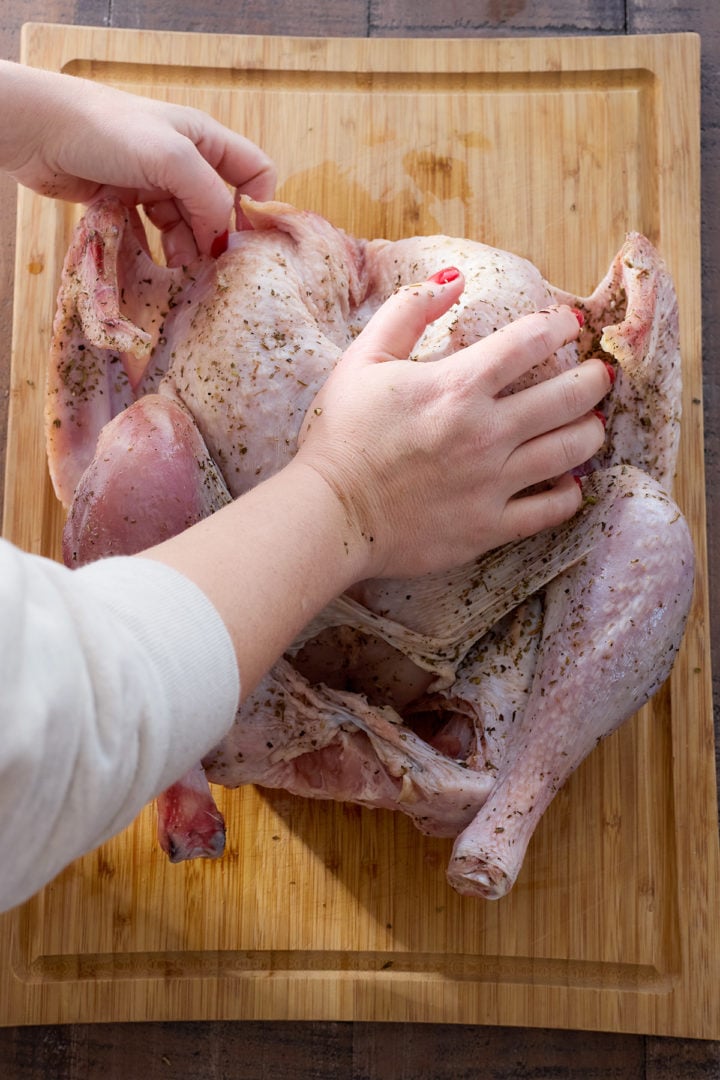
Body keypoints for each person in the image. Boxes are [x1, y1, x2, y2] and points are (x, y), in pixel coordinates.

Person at [0, 60, 611, 914]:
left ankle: (517, 795)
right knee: (142, 451)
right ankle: (195, 760)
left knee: (647, 530)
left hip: (482, 616)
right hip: (218, 625)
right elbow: (61, 719)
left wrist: (24, 108)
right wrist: (352, 497)